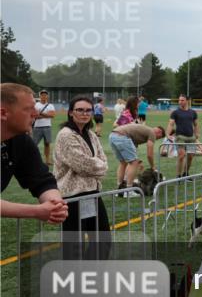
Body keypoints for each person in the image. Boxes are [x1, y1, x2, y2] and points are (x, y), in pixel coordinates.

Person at [1, 83, 68, 223]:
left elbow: (41, 180)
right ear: (3, 113)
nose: (36, 113)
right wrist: (36, 211)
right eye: (28, 109)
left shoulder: (21, 140)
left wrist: (55, 204)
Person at [53, 95, 110, 259]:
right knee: (74, 246)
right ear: (71, 112)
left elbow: (103, 159)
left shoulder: (90, 134)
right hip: (72, 197)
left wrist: (99, 166)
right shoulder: (66, 135)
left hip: (92, 193)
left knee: (102, 240)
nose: (85, 113)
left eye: (88, 110)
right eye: (80, 110)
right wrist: (100, 166)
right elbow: (83, 164)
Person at [109, 120, 165, 194]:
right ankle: (128, 190)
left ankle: (120, 187)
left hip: (112, 136)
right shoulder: (152, 133)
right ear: (159, 132)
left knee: (123, 163)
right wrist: (153, 167)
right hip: (122, 136)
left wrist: (137, 162)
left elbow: (133, 152)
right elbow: (149, 154)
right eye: (158, 138)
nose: (156, 139)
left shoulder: (142, 131)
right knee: (134, 163)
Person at [168, 94, 198, 177]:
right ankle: (178, 176)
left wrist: (196, 134)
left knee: (190, 156)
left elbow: (196, 124)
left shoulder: (193, 112)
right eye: (179, 100)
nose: (180, 102)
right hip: (180, 137)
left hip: (191, 137)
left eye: (182, 100)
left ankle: (186, 173)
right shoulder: (175, 112)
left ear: (187, 101)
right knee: (181, 155)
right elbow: (171, 124)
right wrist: (167, 134)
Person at [32, 90, 56, 166]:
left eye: (45, 95)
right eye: (42, 95)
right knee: (34, 144)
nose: (44, 96)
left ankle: (47, 160)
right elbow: (35, 116)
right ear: (40, 96)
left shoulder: (50, 105)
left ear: (47, 96)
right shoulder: (36, 105)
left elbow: (52, 115)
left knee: (47, 144)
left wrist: (40, 113)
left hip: (47, 127)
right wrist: (46, 114)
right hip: (37, 127)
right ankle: (34, 159)